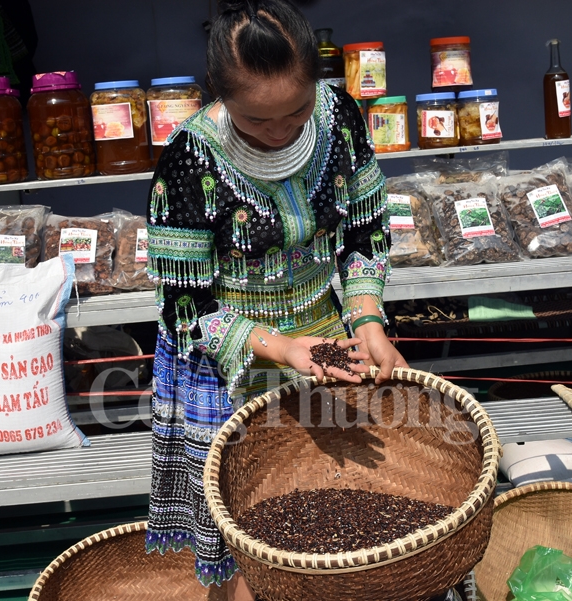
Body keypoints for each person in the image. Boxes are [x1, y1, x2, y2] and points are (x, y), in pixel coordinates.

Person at [144, 1, 407, 598]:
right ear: (219, 94)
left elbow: (366, 232)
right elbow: (187, 309)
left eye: (296, 110)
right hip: (225, 362)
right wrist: (281, 348)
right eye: (257, 119)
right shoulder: (189, 159)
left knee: (330, 515)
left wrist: (367, 321)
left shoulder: (340, 118)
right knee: (246, 536)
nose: (281, 130)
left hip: (323, 340)